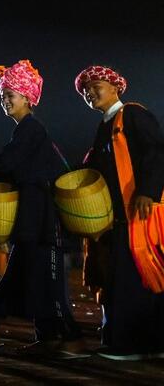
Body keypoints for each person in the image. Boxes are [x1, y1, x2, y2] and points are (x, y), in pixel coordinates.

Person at [0, 60, 86, 357]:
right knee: (25, 277)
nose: (5, 101)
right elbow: (10, 168)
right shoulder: (25, 131)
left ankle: (72, 339)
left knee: (49, 282)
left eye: (11, 95)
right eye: (2, 96)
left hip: (43, 221)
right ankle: (44, 336)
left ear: (28, 97)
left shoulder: (31, 129)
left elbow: (6, 163)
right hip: (31, 220)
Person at [76, 65, 164, 361]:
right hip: (117, 218)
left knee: (134, 281)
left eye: (96, 86)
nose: (90, 93)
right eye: (86, 91)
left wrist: (148, 191)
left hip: (140, 214)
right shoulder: (104, 127)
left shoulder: (133, 114)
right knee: (121, 280)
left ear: (115, 87)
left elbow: (156, 152)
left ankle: (132, 346)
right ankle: (137, 342)